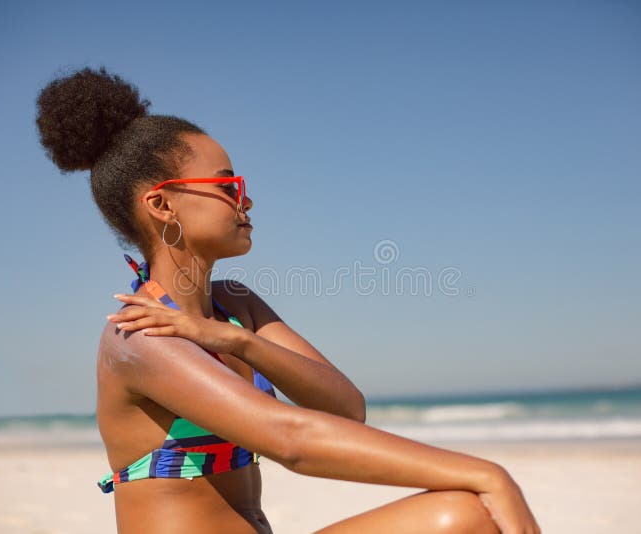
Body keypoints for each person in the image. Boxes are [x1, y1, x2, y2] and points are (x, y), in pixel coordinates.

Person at [35, 67, 540, 534]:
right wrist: (487, 472)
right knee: (472, 507)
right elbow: (290, 441)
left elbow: (345, 409)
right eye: (227, 185)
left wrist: (239, 341)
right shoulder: (140, 333)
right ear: (163, 204)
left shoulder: (236, 306)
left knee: (467, 514)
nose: (244, 199)